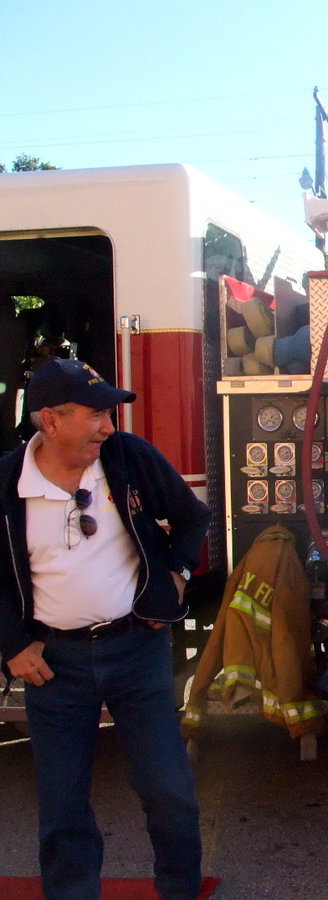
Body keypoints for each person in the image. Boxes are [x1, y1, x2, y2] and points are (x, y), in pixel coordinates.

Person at [0, 358, 211, 900]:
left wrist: (177, 577)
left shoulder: (128, 459)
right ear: (50, 419)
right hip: (55, 666)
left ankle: (180, 890)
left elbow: (192, 517)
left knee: (169, 791)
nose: (109, 427)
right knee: (63, 804)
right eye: (96, 415)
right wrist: (13, 645)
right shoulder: (6, 482)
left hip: (136, 650)